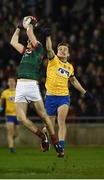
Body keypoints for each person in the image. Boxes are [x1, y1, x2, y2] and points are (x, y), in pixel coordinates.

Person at [10, 16, 63, 157]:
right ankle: (42, 137)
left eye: (30, 41)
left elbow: (30, 34)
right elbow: (13, 41)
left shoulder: (39, 49)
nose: (28, 42)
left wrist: (30, 24)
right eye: (28, 41)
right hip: (20, 85)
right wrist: (18, 27)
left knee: (44, 116)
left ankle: (56, 142)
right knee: (21, 118)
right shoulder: (25, 52)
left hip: (32, 84)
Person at [43, 28, 93, 157]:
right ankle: (44, 136)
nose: (62, 51)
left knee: (61, 121)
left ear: (68, 54)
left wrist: (84, 92)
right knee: (49, 125)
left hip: (63, 97)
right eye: (60, 49)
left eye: (65, 50)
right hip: (50, 97)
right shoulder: (53, 60)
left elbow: (74, 81)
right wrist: (48, 37)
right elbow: (49, 49)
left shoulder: (70, 67)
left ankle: (61, 148)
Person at [0, 77, 20, 153]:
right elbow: (0, 100)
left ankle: (11, 141)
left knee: (16, 133)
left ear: (15, 83)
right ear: (8, 83)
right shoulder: (5, 92)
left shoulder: (18, 92)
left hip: (17, 115)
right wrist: (0, 107)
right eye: (9, 81)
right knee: (10, 132)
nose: (11, 83)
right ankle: (11, 148)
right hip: (9, 114)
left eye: (12, 81)